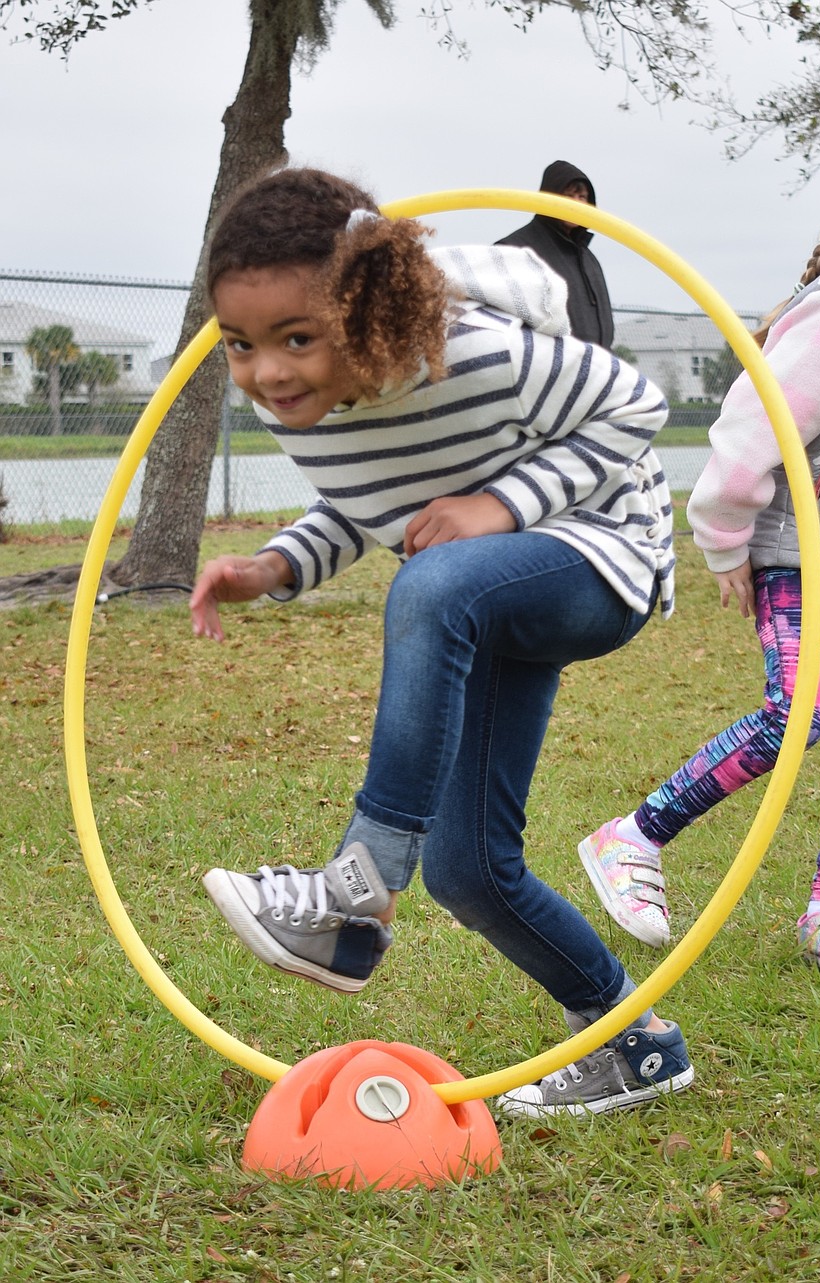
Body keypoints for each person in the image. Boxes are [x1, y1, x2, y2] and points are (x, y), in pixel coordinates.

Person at [190, 164, 693, 1118]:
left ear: (366, 310)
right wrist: (275, 565)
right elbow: (371, 498)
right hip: (481, 592)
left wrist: (499, 504)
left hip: (602, 557)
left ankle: (358, 888)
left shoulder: (479, 354)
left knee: (432, 583)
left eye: (297, 338)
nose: (269, 372)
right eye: (240, 345)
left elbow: (637, 406)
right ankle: (635, 1041)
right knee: (470, 870)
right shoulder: (290, 400)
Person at [579, 153, 820, 976]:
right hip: (801, 550)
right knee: (797, 712)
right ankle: (635, 834)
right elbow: (753, 421)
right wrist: (726, 535)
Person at [496, 160, 614, 347]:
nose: (576, 204)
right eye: (568, 196)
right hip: (543, 363)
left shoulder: (587, 258)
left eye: (582, 197)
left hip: (595, 361)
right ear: (549, 198)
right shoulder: (515, 250)